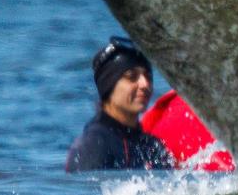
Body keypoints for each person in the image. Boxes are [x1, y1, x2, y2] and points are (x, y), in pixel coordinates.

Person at [65, 36, 174, 172]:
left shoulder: (152, 146)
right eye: (132, 77)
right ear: (108, 86)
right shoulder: (93, 145)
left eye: (148, 77)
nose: (145, 84)